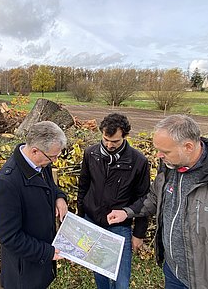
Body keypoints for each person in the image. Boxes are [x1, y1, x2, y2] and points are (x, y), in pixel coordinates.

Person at [107, 114, 208, 289]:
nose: (158, 155)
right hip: (172, 272)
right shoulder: (170, 167)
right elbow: (154, 199)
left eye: (165, 151)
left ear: (188, 147)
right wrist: (127, 212)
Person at [0, 121, 68, 289]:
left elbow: (49, 187)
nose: (55, 160)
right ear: (35, 151)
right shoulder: (7, 183)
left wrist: (59, 197)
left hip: (40, 265)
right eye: (53, 157)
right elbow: (8, 236)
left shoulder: (40, 163)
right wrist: (47, 252)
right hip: (23, 272)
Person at [77, 113, 150, 289]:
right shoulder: (90, 153)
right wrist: (81, 219)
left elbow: (144, 199)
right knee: (99, 271)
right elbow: (83, 186)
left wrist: (139, 234)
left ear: (124, 136)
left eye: (115, 141)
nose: (109, 145)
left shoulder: (138, 161)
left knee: (121, 280)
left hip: (120, 227)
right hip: (92, 221)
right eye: (105, 139)